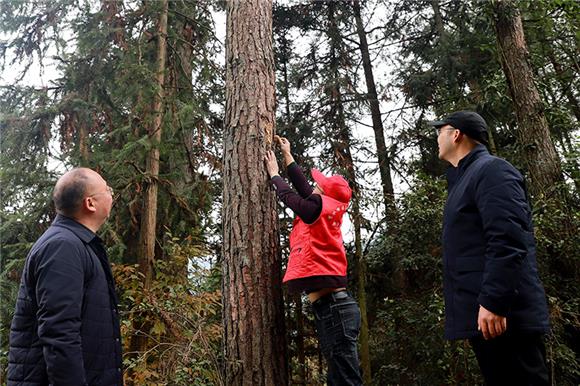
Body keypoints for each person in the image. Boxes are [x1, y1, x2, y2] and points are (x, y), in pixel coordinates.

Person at [429, 111, 550, 385]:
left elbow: (509, 238)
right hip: (487, 321)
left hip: (505, 317)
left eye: (441, 130)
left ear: (456, 134)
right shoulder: (464, 180)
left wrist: (494, 301)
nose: (437, 137)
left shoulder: (492, 170)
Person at [7, 168, 123, 386]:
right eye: (107, 189)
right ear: (90, 203)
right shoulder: (63, 247)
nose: (111, 193)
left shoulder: (76, 244)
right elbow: (59, 334)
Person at [264, 135, 363, 386]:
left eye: (320, 186)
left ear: (325, 195)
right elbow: (306, 190)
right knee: (339, 378)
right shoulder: (325, 211)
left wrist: (275, 175)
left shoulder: (315, 211)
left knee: (346, 380)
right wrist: (288, 155)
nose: (315, 186)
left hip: (335, 309)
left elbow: (292, 197)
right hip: (333, 309)